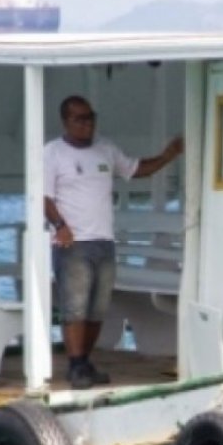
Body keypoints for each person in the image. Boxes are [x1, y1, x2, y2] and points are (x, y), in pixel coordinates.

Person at [43, 95, 184, 389]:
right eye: (80, 119)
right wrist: (60, 226)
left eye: (91, 117)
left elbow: (137, 169)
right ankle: (75, 365)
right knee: (75, 308)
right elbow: (43, 197)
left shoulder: (105, 149)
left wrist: (169, 154)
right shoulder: (52, 153)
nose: (87, 124)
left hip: (104, 241)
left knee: (98, 309)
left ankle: (85, 361)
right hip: (73, 244)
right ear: (66, 121)